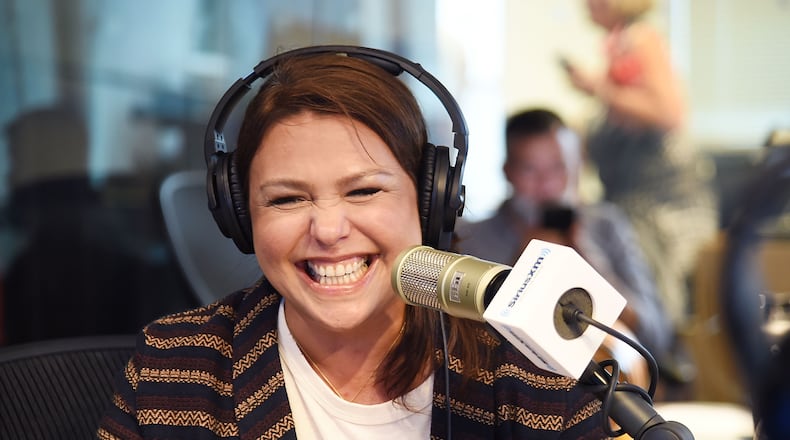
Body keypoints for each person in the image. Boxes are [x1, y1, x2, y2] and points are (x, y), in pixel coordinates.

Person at [97, 48, 607, 439]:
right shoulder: (174, 371)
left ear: (431, 203)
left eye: (363, 191)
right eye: (286, 200)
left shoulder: (530, 371)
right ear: (239, 214)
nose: (327, 229)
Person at [454, 108, 678, 387]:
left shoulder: (606, 226)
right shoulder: (471, 239)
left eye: (558, 167)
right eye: (530, 169)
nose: (546, 185)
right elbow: (463, 349)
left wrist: (585, 260)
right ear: (507, 172)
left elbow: (654, 334)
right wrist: (520, 267)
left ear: (577, 166)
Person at [562, 0, 718, 330]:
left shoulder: (641, 38)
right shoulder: (621, 44)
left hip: (659, 204)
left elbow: (669, 113)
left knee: (647, 294)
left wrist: (597, 89)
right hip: (634, 201)